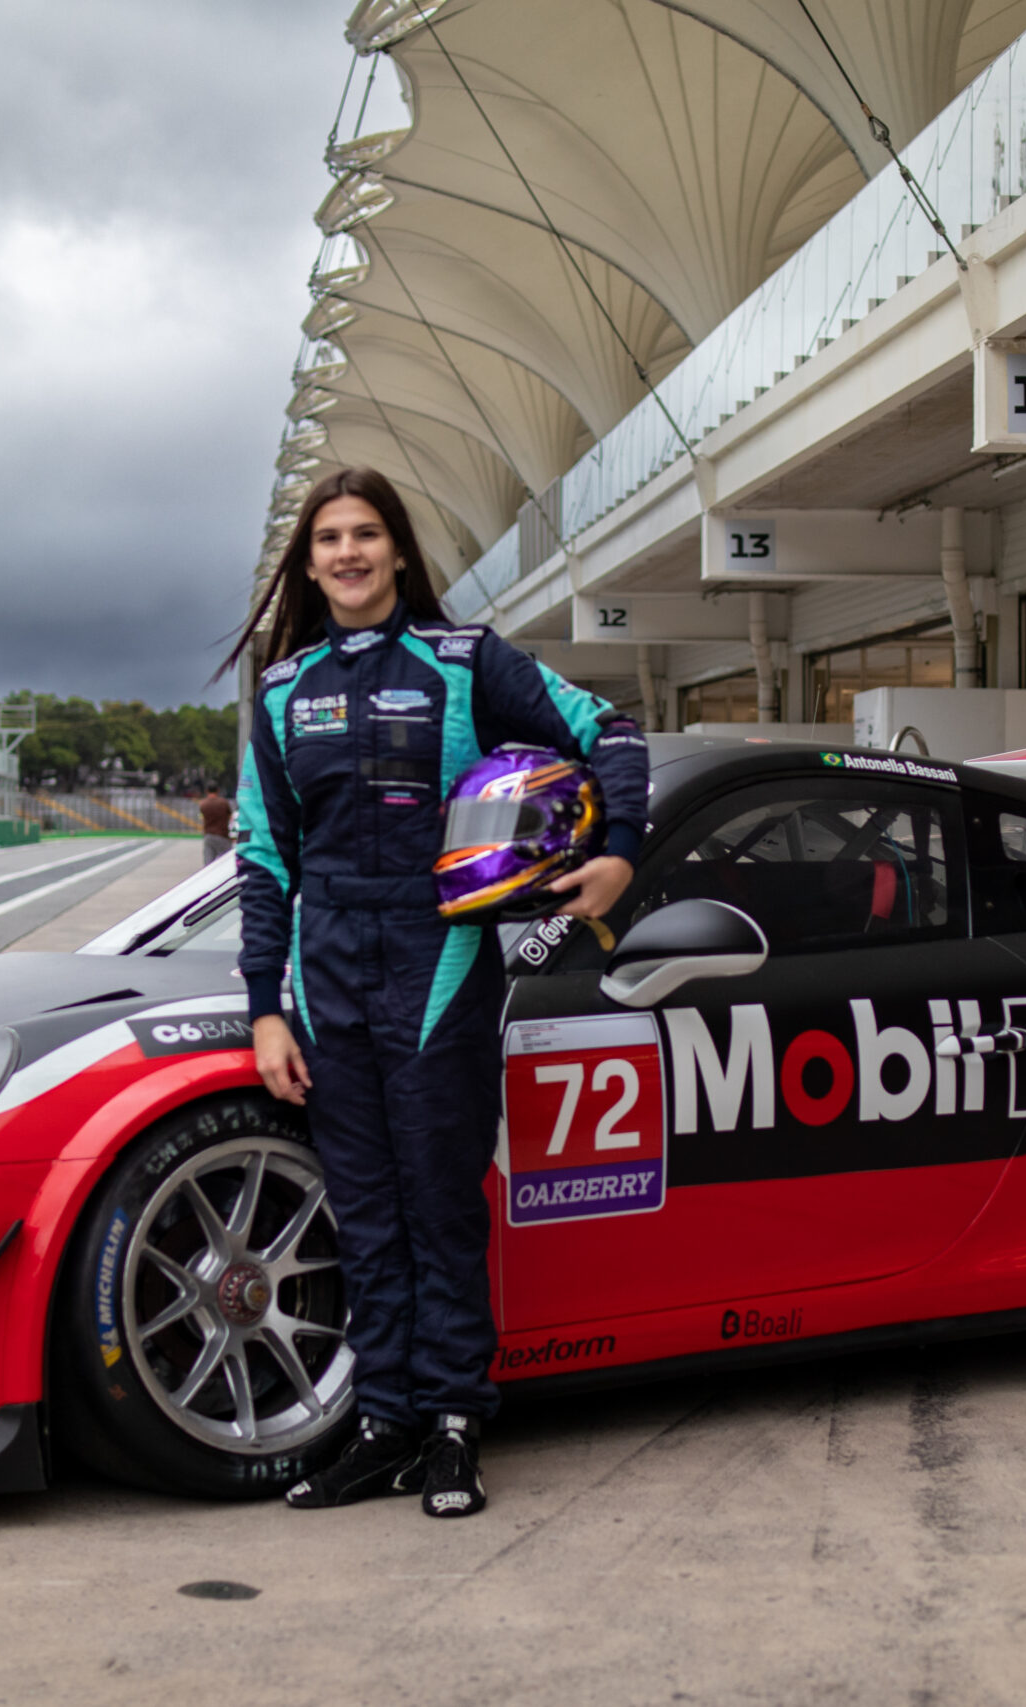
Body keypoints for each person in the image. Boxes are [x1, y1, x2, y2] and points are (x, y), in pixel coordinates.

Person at [228, 466, 647, 1519]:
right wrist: (263, 1005)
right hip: (325, 972)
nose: (348, 553)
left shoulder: (463, 664)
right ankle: (384, 1426)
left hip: (441, 956)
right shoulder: (281, 694)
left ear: (400, 553)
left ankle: (455, 1426)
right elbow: (264, 858)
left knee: (438, 1206)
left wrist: (619, 857)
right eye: (329, 537)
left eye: (366, 533)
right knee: (366, 1217)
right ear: (308, 559)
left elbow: (612, 733)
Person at [198, 783, 234, 865]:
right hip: (222, 835)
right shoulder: (223, 802)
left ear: (207, 791)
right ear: (218, 790)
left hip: (208, 836)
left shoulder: (203, 804)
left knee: (208, 865)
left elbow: (202, 818)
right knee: (226, 863)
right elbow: (230, 817)